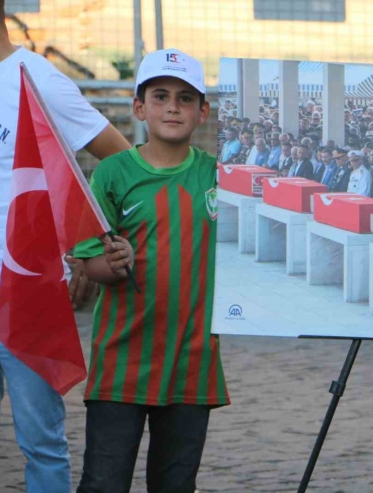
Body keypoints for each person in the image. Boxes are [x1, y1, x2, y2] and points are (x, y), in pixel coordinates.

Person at [0, 1, 130, 490]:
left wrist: (88, 245)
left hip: (24, 289)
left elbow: (121, 162)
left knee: (40, 440)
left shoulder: (36, 78)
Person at [73, 49, 229, 493]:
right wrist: (112, 264)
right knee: (103, 483)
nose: (173, 107)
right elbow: (91, 262)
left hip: (192, 360)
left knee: (175, 485)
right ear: (139, 107)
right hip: (121, 359)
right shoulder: (112, 173)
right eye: (160, 96)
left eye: (185, 97)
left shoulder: (221, 178)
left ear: (203, 111)